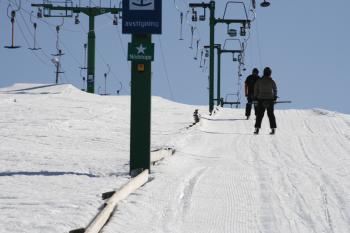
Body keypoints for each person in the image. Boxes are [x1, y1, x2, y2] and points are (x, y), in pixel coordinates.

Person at [253, 67, 277, 135]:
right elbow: (275, 89)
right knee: (270, 114)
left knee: (260, 114)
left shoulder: (259, 80)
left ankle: (257, 128)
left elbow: (256, 89)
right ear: (270, 73)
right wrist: (275, 97)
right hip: (270, 99)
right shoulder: (271, 81)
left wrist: (255, 97)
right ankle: (273, 128)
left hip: (261, 99)